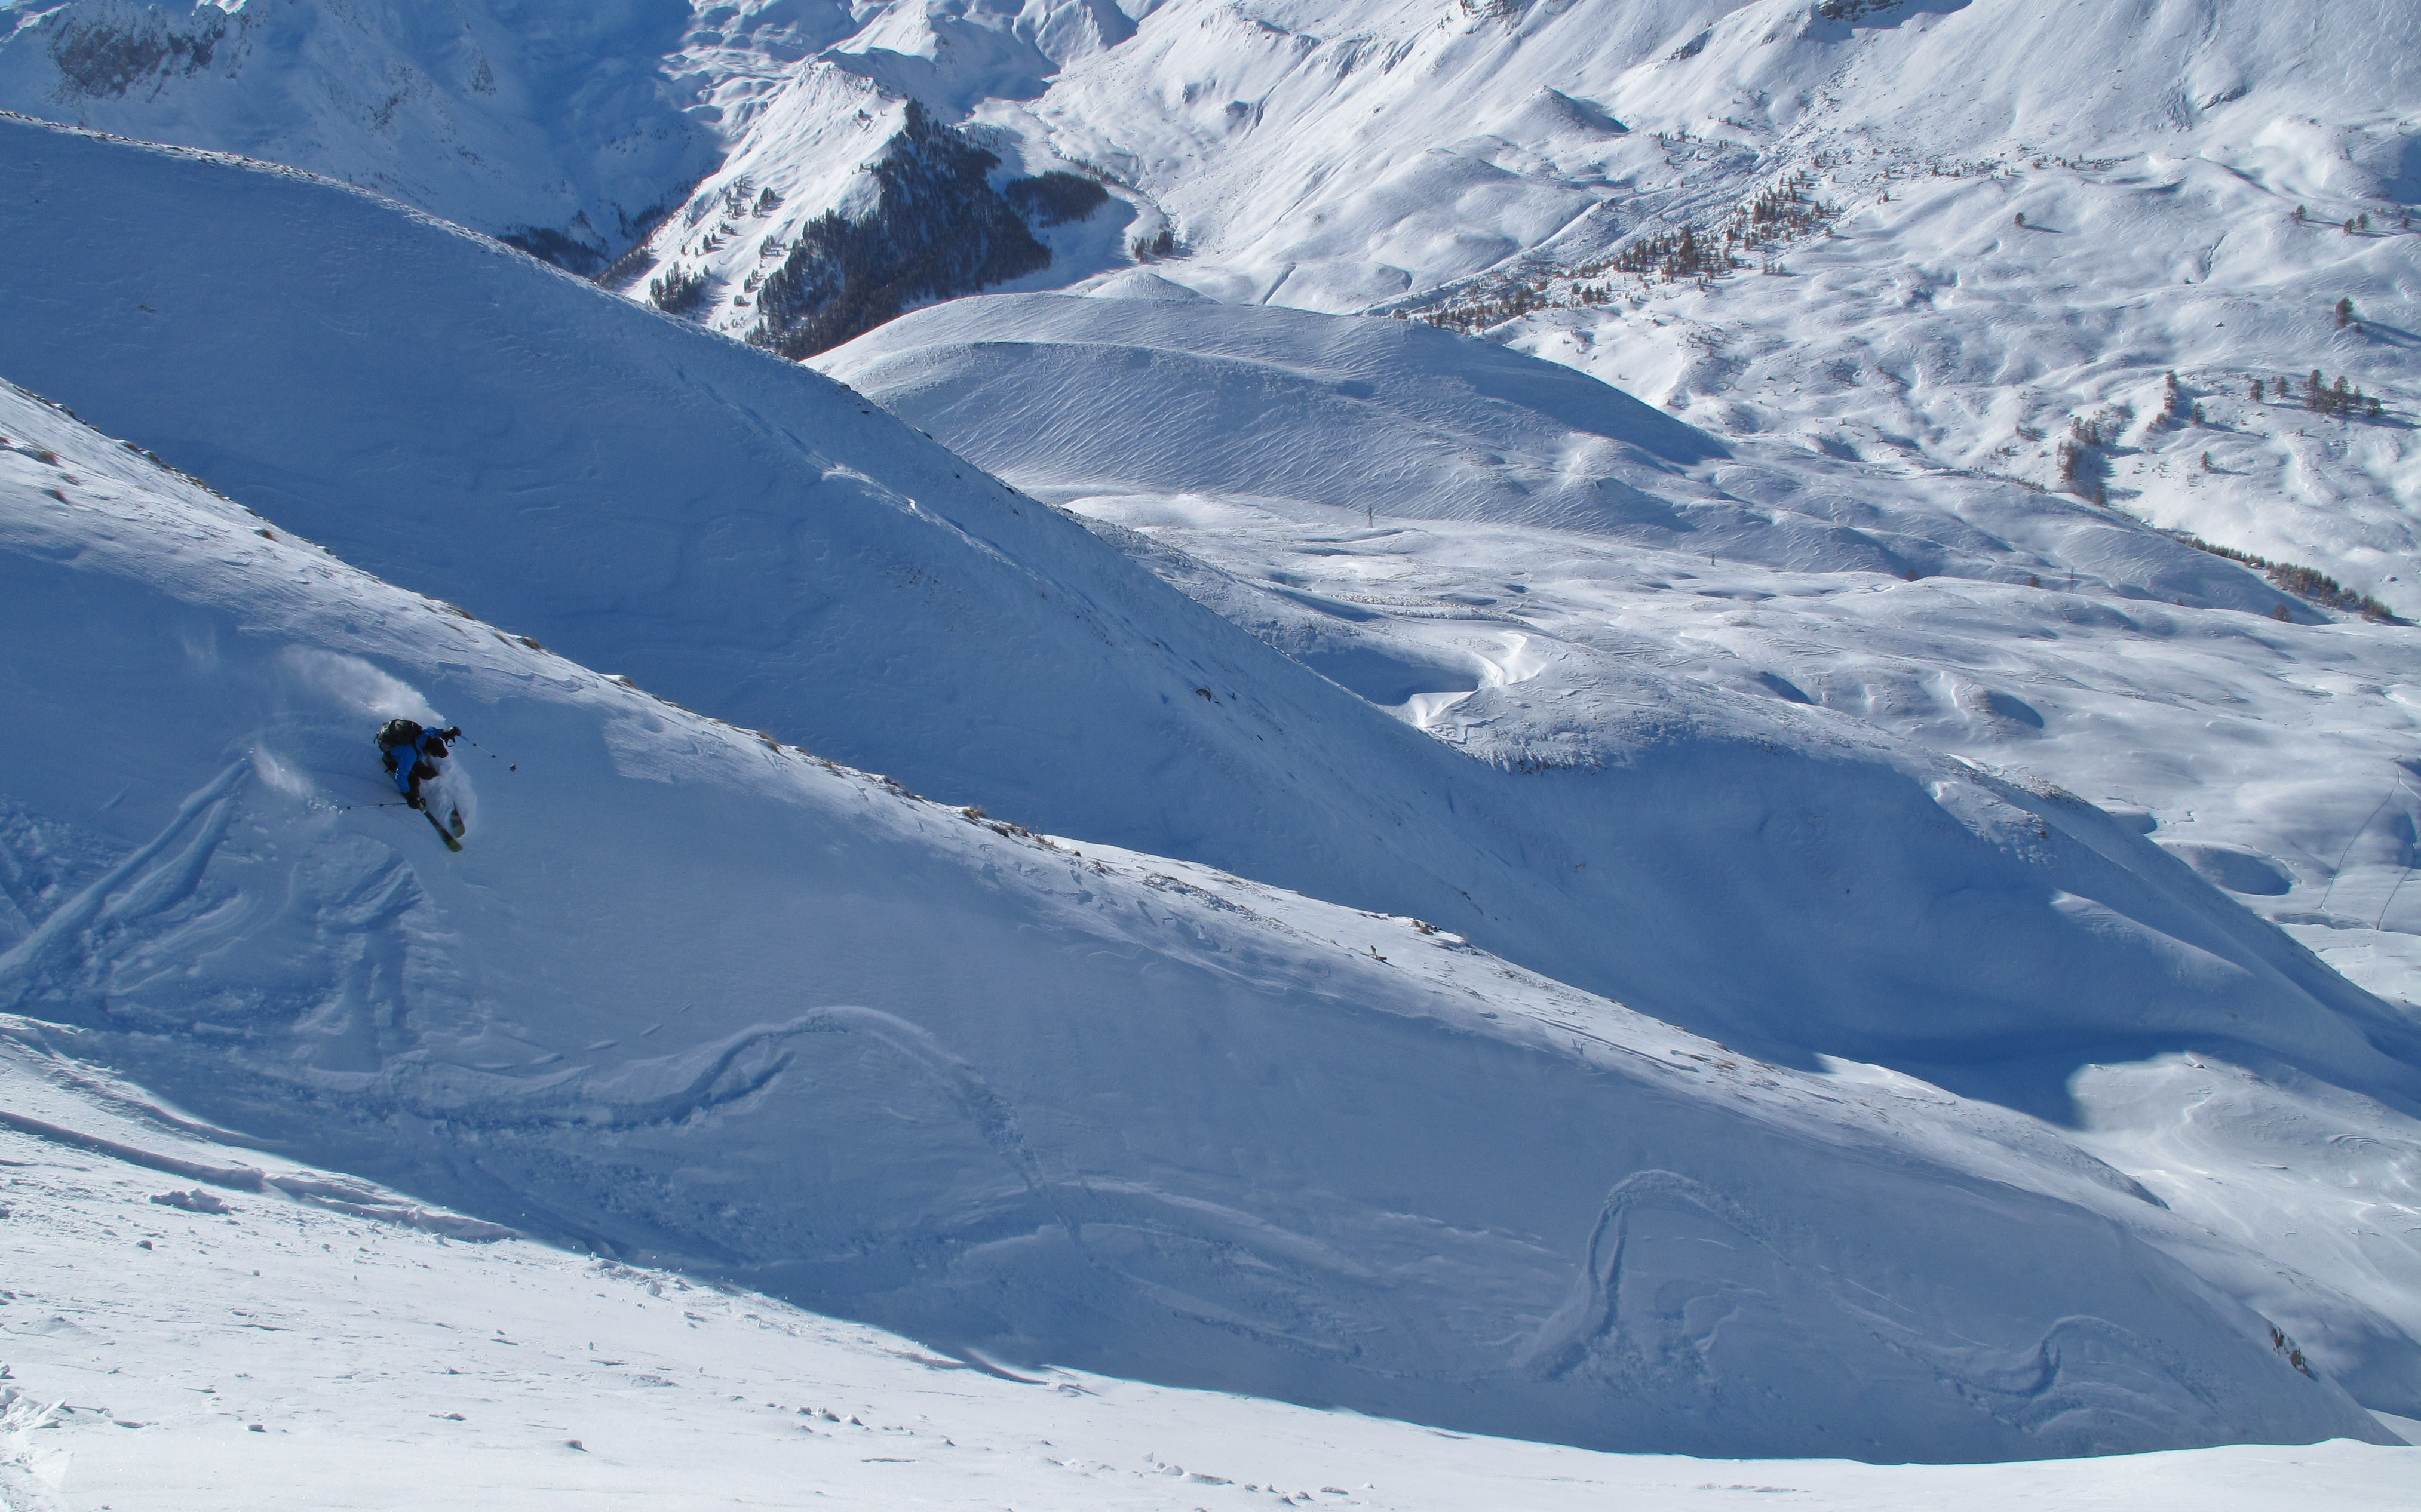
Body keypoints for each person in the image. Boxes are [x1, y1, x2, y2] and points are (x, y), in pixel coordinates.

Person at [376, 718, 463, 810]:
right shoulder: (410, 754)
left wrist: (447, 733)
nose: (433, 756)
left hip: (410, 756)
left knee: (428, 774)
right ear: (428, 751)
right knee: (414, 781)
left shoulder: (425, 735)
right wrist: (409, 796)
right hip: (393, 761)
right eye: (433, 755)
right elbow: (401, 776)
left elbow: (433, 730)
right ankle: (416, 800)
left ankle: (424, 777)